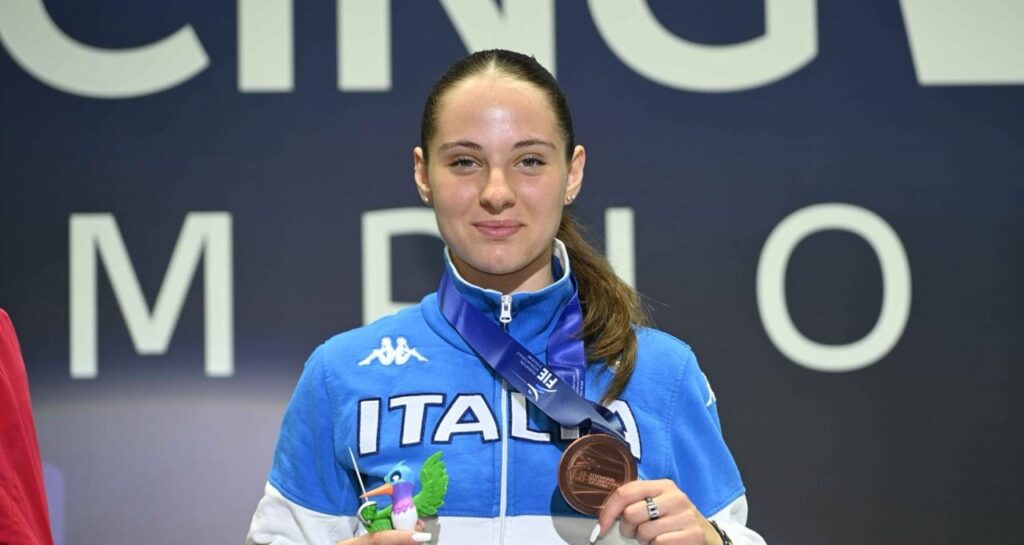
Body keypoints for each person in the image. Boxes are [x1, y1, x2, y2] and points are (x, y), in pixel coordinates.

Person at [247, 49, 767, 545]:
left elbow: (731, 534)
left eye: (530, 161)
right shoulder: (342, 373)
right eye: (465, 162)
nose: (497, 192)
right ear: (423, 175)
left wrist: (712, 539)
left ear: (573, 173)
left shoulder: (661, 373)